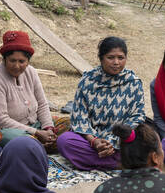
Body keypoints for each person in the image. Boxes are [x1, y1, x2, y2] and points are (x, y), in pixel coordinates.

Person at [57, 37, 145, 170]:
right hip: (91, 140)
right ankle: (119, 163)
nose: (116, 62)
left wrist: (113, 141)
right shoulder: (87, 81)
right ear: (101, 58)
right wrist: (94, 141)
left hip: (121, 141)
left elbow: (137, 117)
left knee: (144, 140)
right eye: (110, 57)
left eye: (121, 58)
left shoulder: (133, 83)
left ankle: (92, 161)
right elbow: (80, 117)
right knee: (64, 141)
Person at [0, 31, 67, 150]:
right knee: (20, 140)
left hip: (35, 126)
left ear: (28, 61)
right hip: (4, 131)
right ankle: (40, 145)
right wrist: (37, 133)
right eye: (12, 61)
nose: (17, 66)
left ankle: (42, 144)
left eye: (22, 61)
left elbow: (42, 104)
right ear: (4, 59)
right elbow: (1, 121)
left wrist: (48, 129)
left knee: (68, 123)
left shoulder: (31, 72)